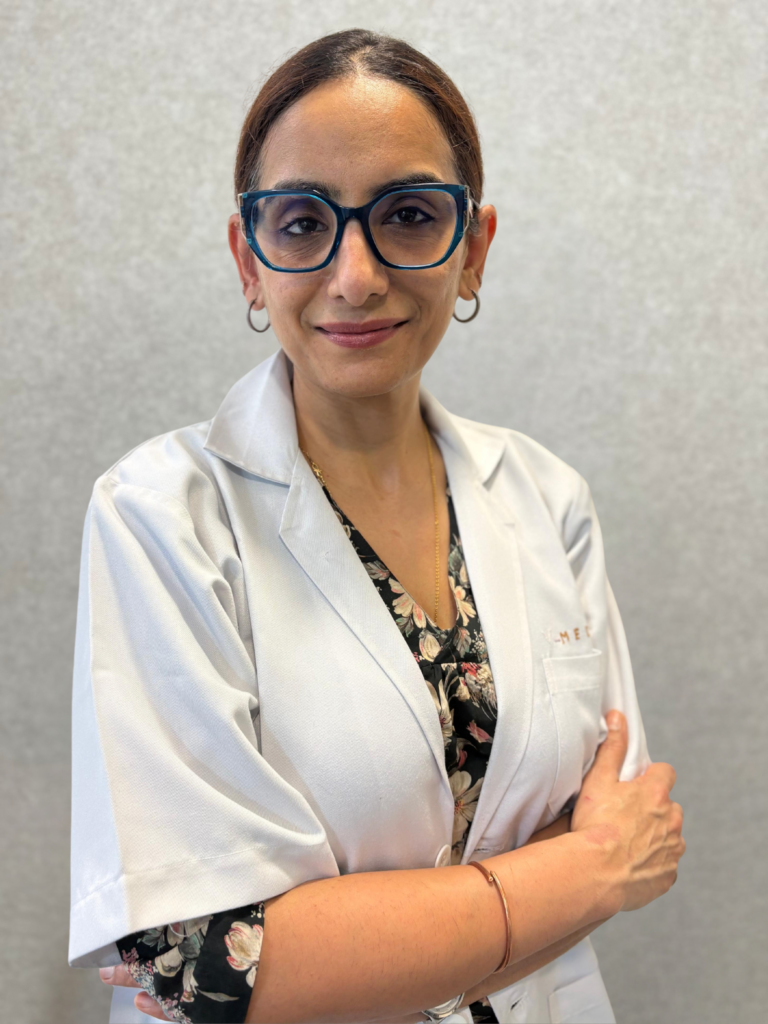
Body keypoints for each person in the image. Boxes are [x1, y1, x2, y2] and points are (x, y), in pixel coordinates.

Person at [69, 28, 685, 1024]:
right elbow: (202, 964)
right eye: (302, 222)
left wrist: (334, 950)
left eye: (406, 215)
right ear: (249, 260)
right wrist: (584, 872)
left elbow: (624, 819)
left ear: (472, 249)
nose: (354, 275)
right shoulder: (160, 515)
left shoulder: (547, 497)